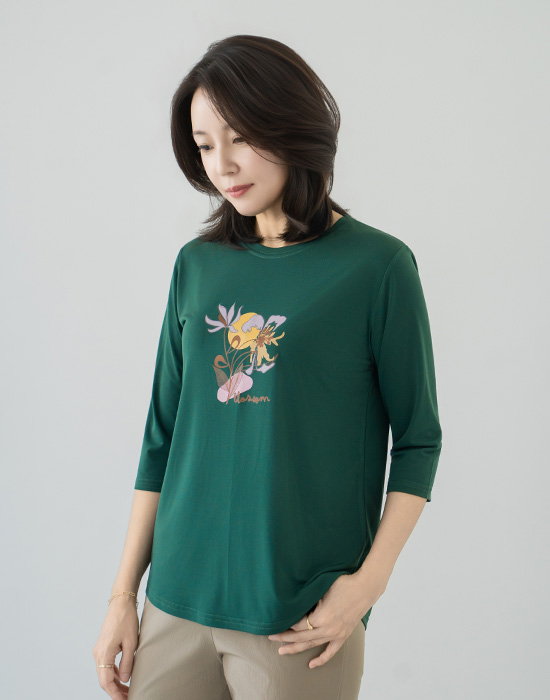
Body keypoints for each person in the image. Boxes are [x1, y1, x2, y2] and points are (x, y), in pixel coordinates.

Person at [93, 34, 443, 700]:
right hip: (174, 603)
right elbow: (161, 439)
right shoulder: (197, 267)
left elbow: (419, 440)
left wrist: (365, 587)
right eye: (204, 145)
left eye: (241, 137)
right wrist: (123, 596)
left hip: (299, 617)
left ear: (290, 127)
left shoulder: (377, 268)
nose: (222, 164)